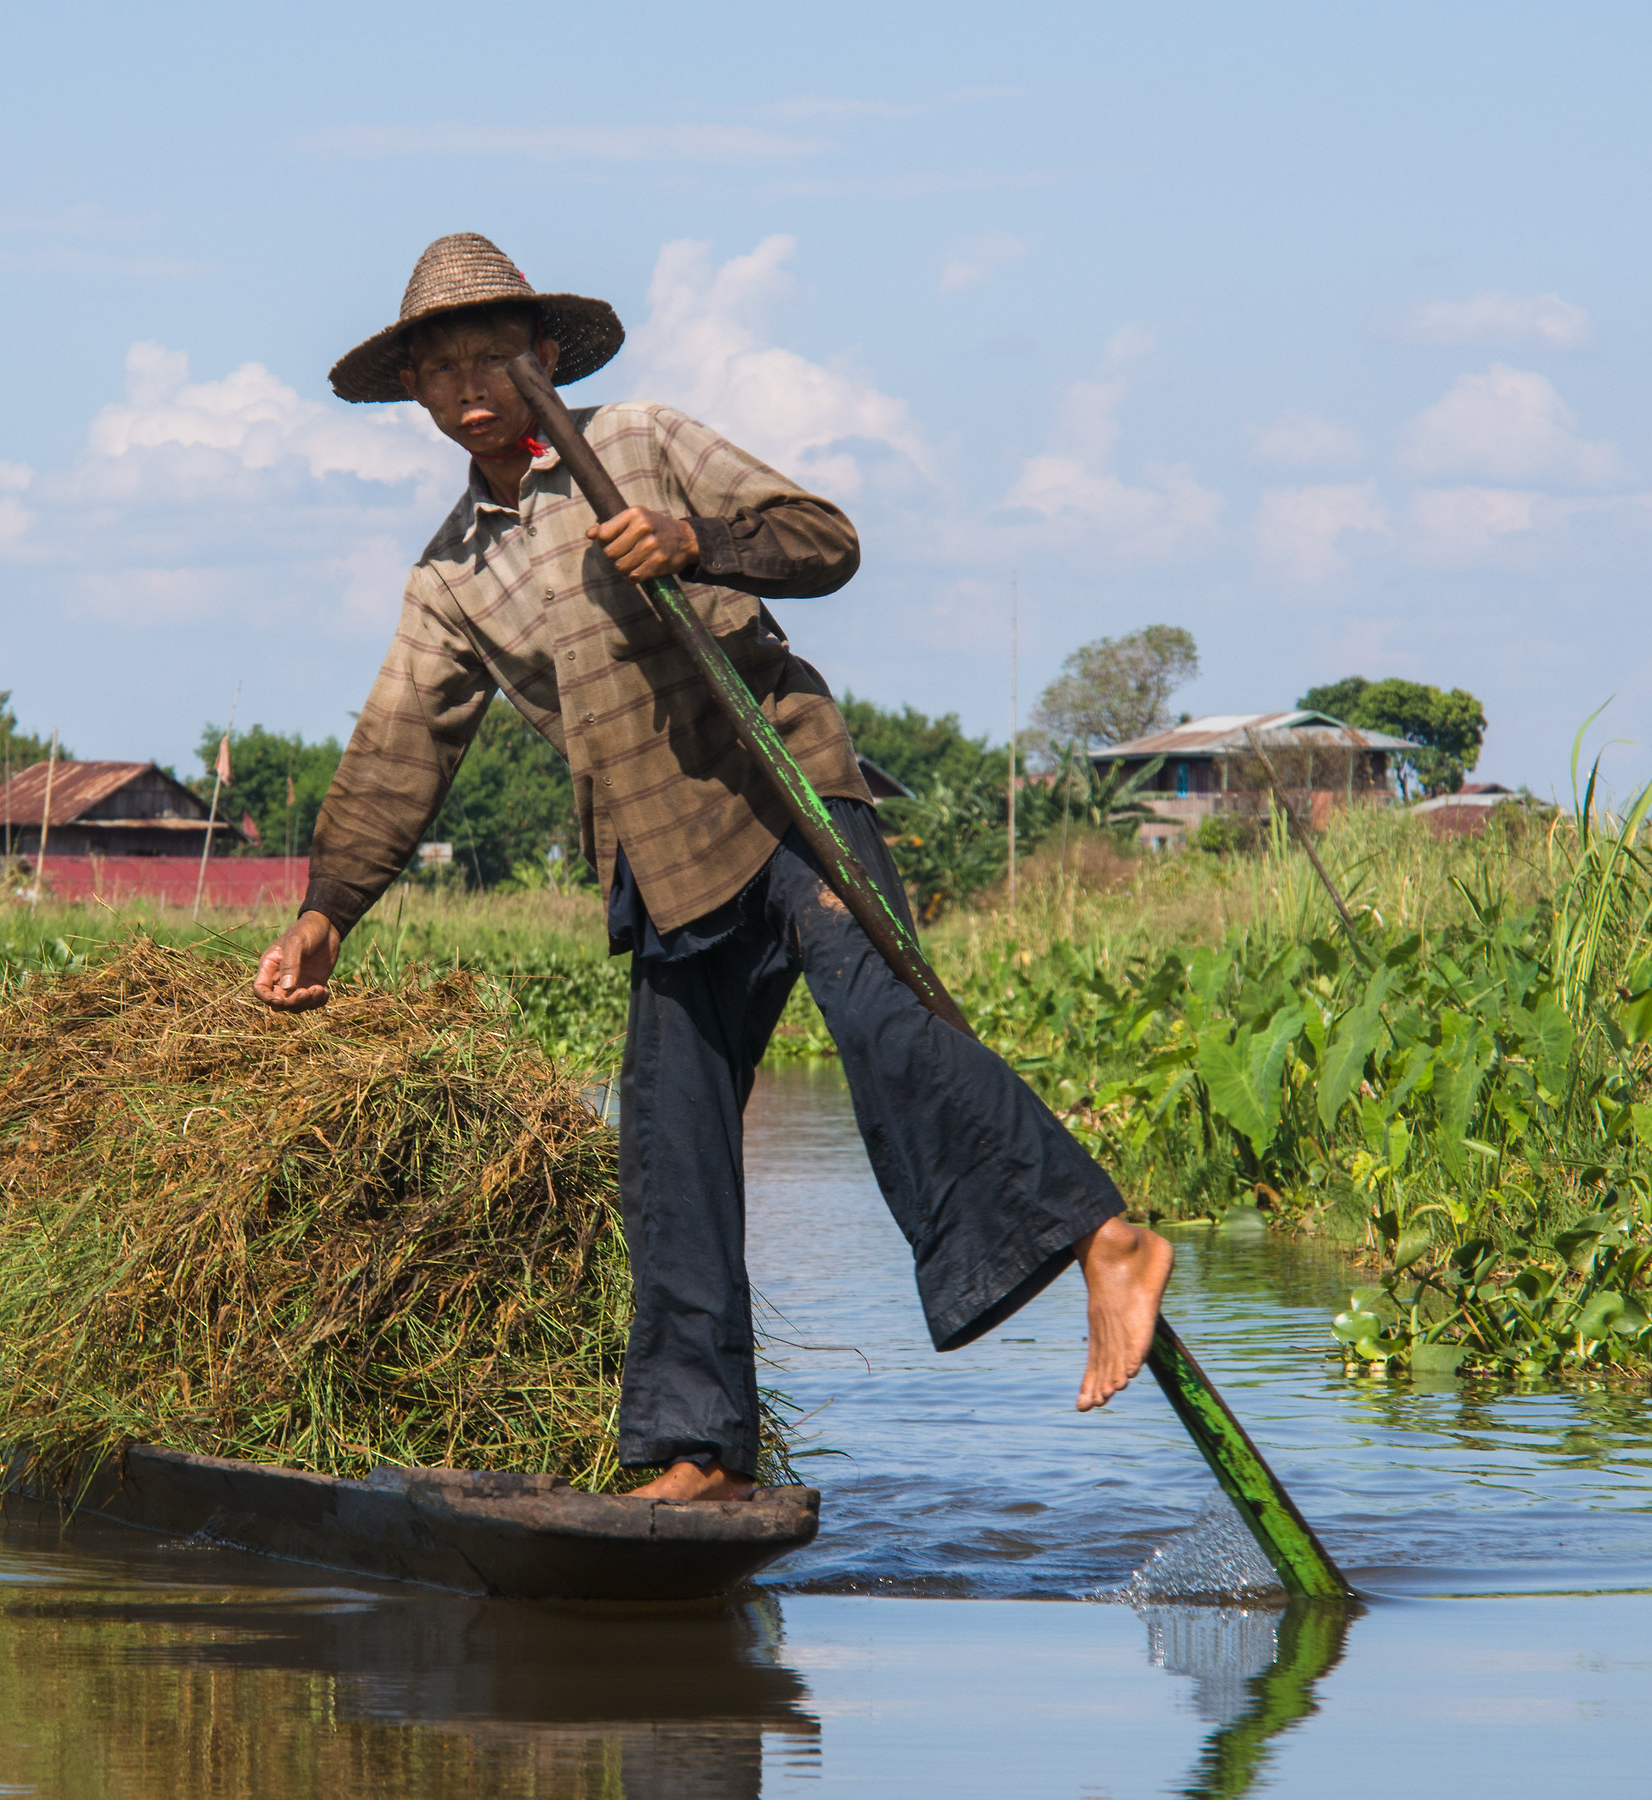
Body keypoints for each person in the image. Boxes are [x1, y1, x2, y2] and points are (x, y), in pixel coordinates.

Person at [255, 234, 1172, 1502]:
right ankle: (696, 1451)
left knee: (883, 1024)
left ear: (541, 357)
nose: (469, 387)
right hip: (659, 851)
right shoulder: (454, 570)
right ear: (413, 395)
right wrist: (325, 913)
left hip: (783, 794)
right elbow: (403, 742)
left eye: (489, 356)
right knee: (668, 1143)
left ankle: (1104, 1238)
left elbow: (825, 540)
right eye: (439, 368)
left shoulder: (636, 442)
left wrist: (693, 541)